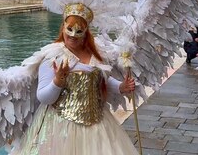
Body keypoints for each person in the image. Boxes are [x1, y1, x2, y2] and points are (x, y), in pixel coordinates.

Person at [14, 9, 137, 154]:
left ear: (86, 32)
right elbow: (43, 97)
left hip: (98, 123)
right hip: (61, 126)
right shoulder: (53, 56)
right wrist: (57, 81)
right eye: (69, 29)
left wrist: (121, 87)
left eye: (79, 31)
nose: (73, 35)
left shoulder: (96, 54)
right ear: (63, 28)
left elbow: (102, 78)